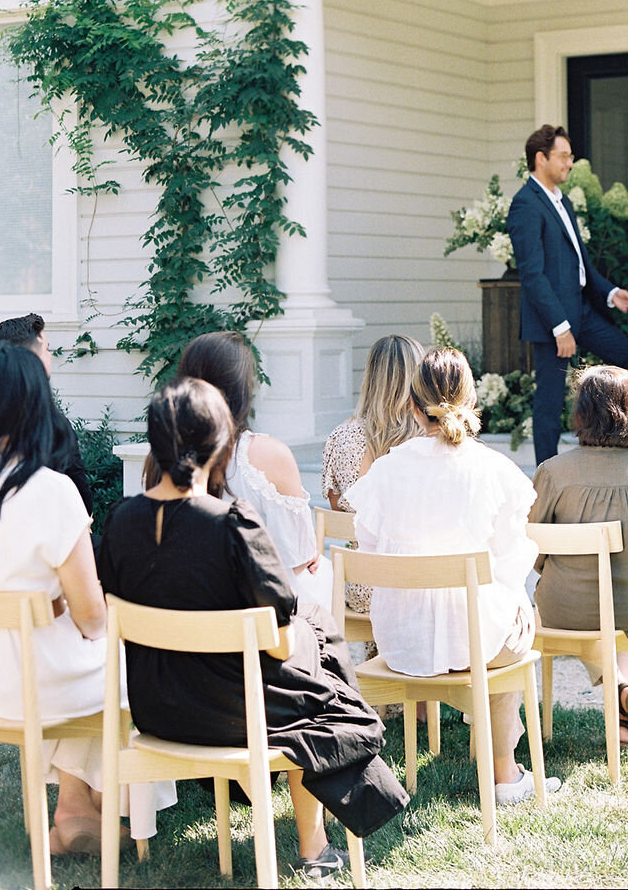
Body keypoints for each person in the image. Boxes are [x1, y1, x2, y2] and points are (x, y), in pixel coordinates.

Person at [98, 377, 408, 879]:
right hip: (235, 713)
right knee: (320, 653)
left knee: (317, 649)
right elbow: (280, 640)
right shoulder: (232, 525)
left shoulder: (118, 522)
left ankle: (328, 817)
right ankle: (321, 841)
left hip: (158, 709)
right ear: (221, 446)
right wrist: (313, 632)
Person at [0, 344, 174, 855]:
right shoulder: (50, 491)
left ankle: (78, 808)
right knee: (125, 658)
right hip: (44, 685)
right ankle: (94, 805)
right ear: (35, 406)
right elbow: (93, 618)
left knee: (89, 662)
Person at [348, 348, 562, 806]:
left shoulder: (386, 471)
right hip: (479, 645)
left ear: (412, 406)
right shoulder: (495, 470)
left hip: (401, 643)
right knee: (512, 619)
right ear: (472, 400)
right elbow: (511, 562)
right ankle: (505, 775)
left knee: (496, 618)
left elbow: (368, 550)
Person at [529, 365, 628, 747]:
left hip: (568, 607)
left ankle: (619, 691)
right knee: (623, 615)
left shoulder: (552, 471)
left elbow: (533, 543)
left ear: (583, 412)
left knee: (574, 611)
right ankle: (623, 715)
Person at [507, 124, 628, 465]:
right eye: (564, 156)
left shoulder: (561, 199)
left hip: (583, 310)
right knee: (549, 404)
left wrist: (611, 293)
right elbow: (532, 275)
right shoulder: (525, 204)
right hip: (554, 321)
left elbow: (580, 261)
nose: (571, 163)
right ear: (541, 158)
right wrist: (559, 327)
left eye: (570, 156)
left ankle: (614, 445)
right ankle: (545, 477)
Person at [173, 331, 332, 611]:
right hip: (258, 621)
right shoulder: (269, 455)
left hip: (189, 607)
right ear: (242, 389)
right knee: (323, 572)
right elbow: (298, 559)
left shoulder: (165, 461)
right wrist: (309, 556)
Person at [321, 334, 424, 614]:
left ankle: (377, 654)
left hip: (364, 585)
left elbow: (337, 508)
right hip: (422, 584)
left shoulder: (340, 438)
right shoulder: (430, 441)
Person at [0, 313, 92, 513]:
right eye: (46, 349)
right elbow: (81, 500)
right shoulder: (52, 424)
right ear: (29, 358)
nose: (50, 356)